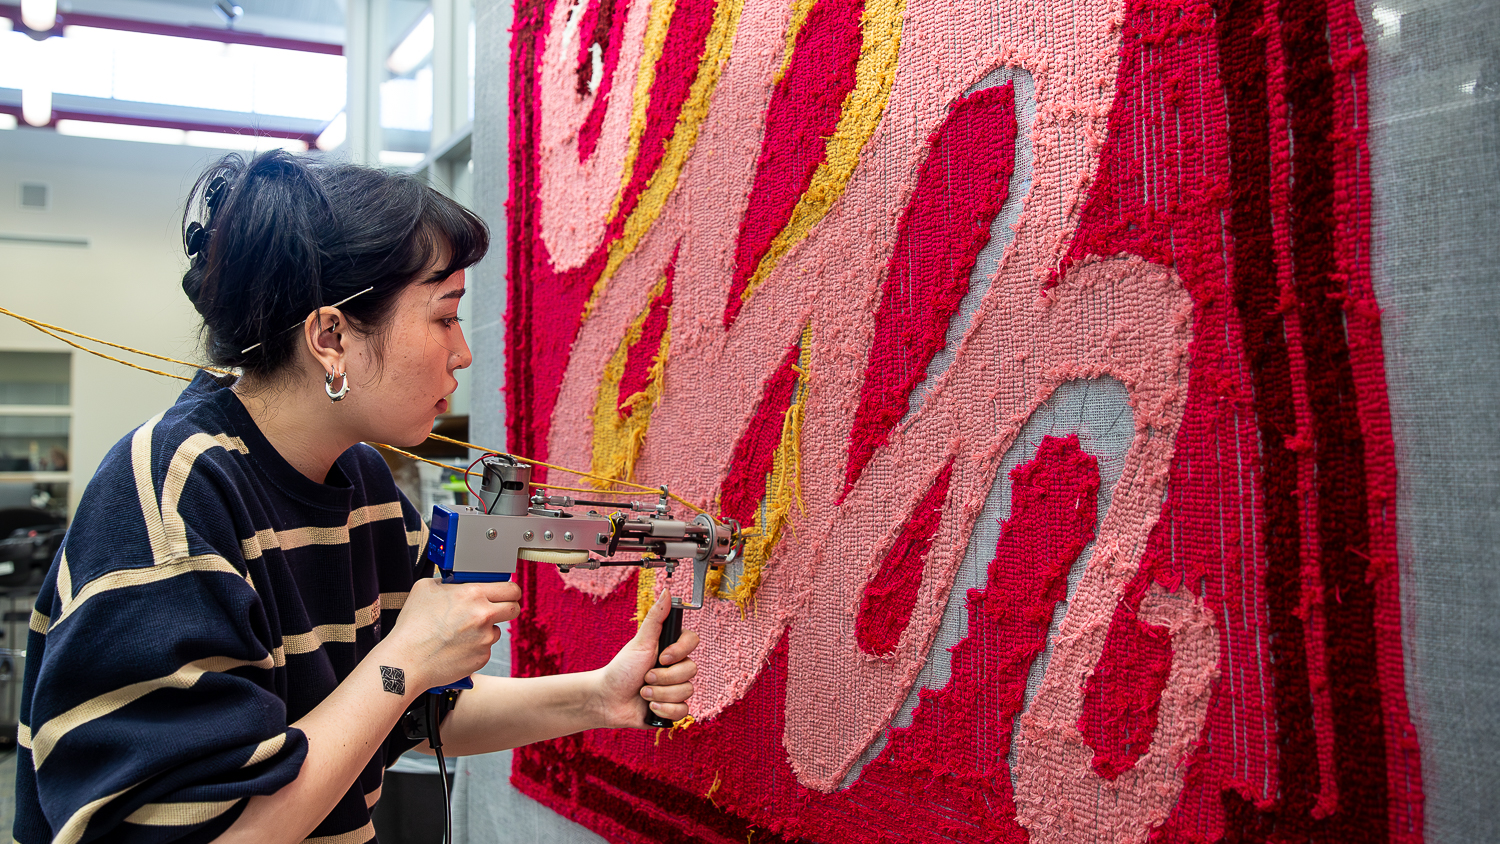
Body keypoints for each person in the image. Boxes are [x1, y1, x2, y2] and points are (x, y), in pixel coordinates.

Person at [11, 150, 699, 844]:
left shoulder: (362, 483)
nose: (462, 353)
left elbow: (409, 708)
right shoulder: (172, 494)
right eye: (443, 316)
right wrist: (409, 658)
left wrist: (598, 696)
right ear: (332, 336)